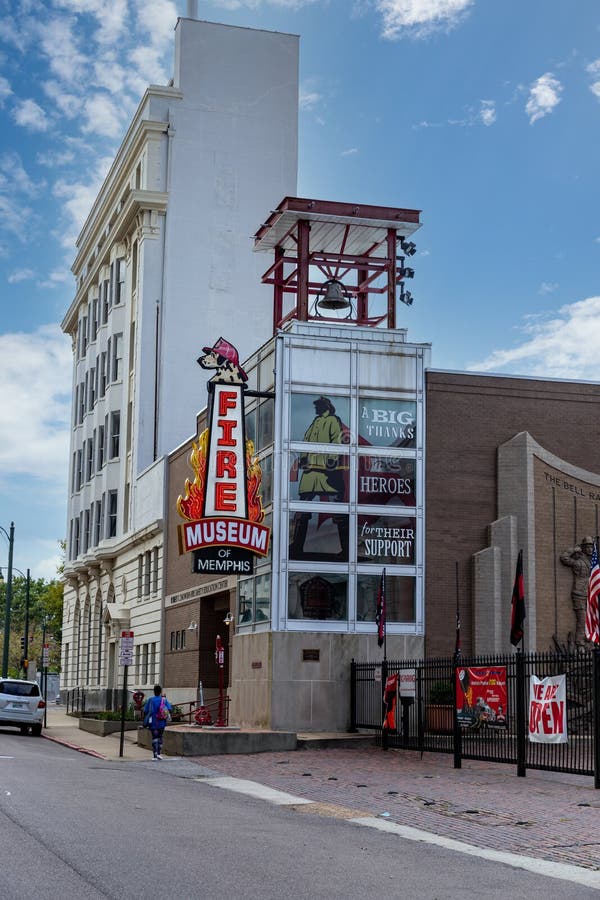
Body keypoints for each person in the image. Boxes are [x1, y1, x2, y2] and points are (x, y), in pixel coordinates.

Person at [560, 537, 595, 646]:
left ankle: (590, 640)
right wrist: (574, 550)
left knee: (592, 619)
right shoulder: (578, 561)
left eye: (591, 547)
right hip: (579, 594)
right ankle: (580, 643)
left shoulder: (593, 561)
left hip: (590, 593)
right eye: (587, 547)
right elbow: (564, 558)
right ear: (583, 548)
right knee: (582, 619)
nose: (590, 549)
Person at [143, 684, 172, 759]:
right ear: (160, 692)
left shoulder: (151, 700)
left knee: (154, 737)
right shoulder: (164, 700)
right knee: (160, 737)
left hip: (153, 722)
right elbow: (170, 709)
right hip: (162, 722)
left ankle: (155, 754)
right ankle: (159, 753)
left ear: (154, 691)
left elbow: (145, 710)